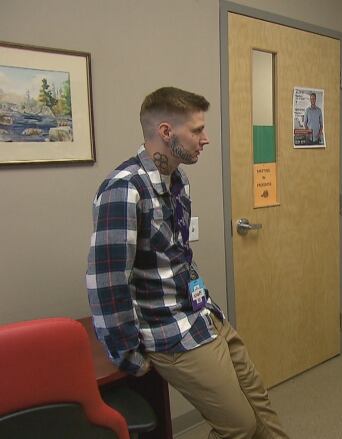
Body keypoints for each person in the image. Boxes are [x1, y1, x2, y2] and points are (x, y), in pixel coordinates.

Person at [86, 87, 289, 439]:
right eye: (196, 131)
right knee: (240, 427)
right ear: (166, 132)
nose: (205, 139)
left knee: (261, 409)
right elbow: (106, 282)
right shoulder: (124, 190)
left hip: (203, 315)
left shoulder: (178, 181)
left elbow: (175, 256)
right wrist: (127, 353)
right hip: (169, 333)